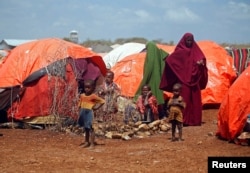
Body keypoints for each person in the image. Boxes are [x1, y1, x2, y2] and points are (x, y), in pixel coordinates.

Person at [160, 32, 208, 126]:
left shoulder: (196, 51)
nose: (189, 42)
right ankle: (183, 120)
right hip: (183, 82)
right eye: (188, 40)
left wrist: (200, 65)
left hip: (195, 81)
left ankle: (195, 120)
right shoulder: (180, 51)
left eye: (191, 41)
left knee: (195, 101)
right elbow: (171, 60)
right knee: (184, 101)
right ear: (184, 41)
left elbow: (202, 60)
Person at [78, 79, 105, 148]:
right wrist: (79, 113)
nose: (86, 89)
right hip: (83, 113)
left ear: (93, 88)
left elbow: (102, 102)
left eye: (88, 87)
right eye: (85, 87)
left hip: (89, 114)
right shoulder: (82, 96)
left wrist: (96, 108)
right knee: (86, 128)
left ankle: (92, 143)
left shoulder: (93, 97)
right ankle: (86, 142)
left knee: (91, 128)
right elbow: (80, 105)